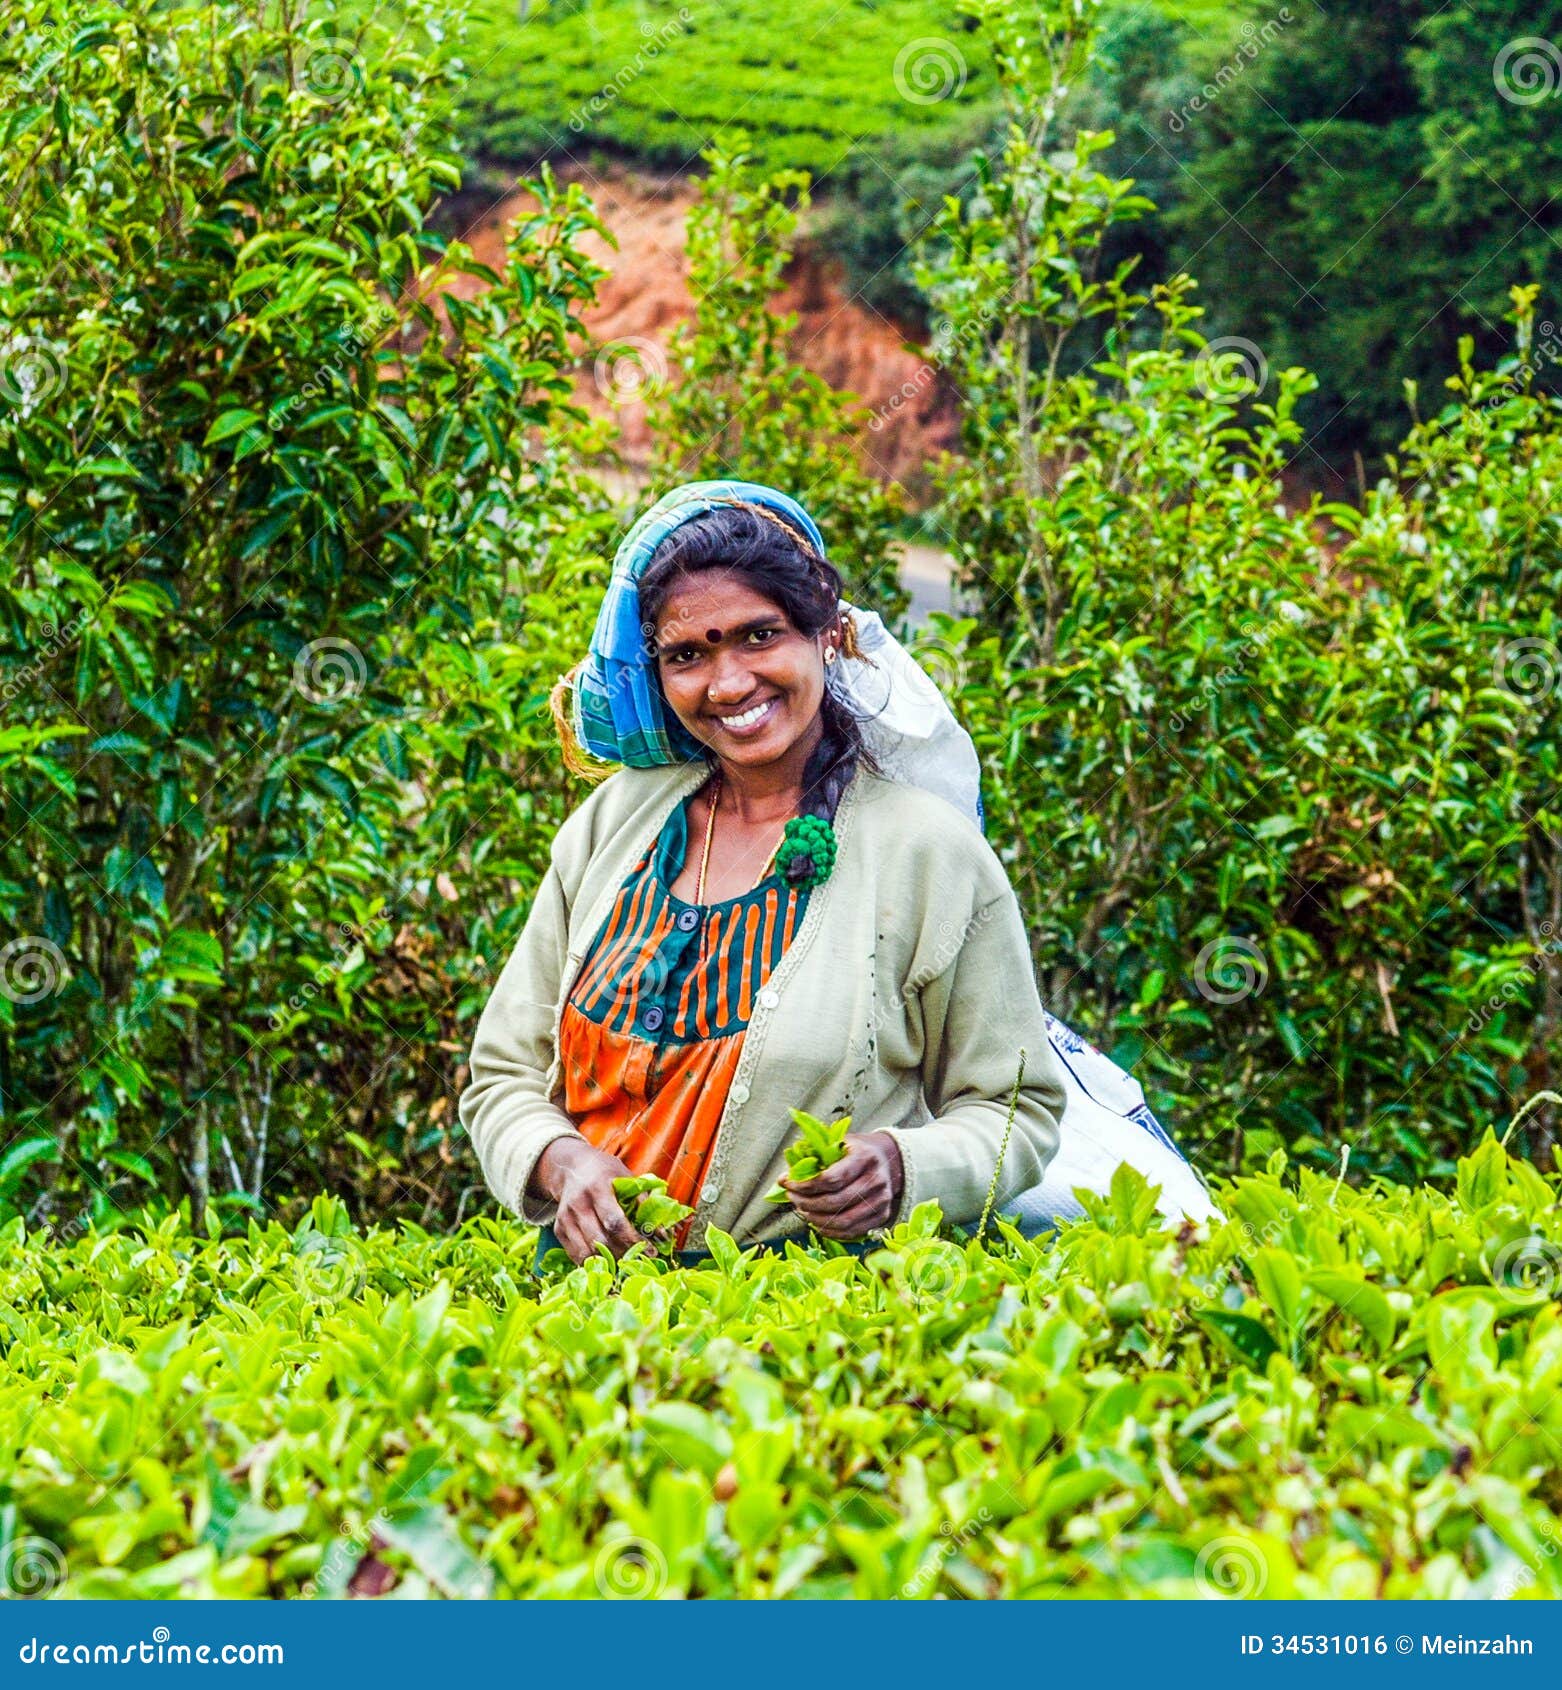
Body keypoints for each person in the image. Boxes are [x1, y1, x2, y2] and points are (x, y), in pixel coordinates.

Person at [457, 479, 1215, 1267]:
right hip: (574, 1330)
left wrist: (904, 1168)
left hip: (806, 1332)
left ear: (825, 634)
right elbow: (503, 1075)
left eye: (759, 636)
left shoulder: (929, 855)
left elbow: (1015, 1110)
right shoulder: (618, 826)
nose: (727, 683)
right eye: (689, 654)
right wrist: (563, 1161)